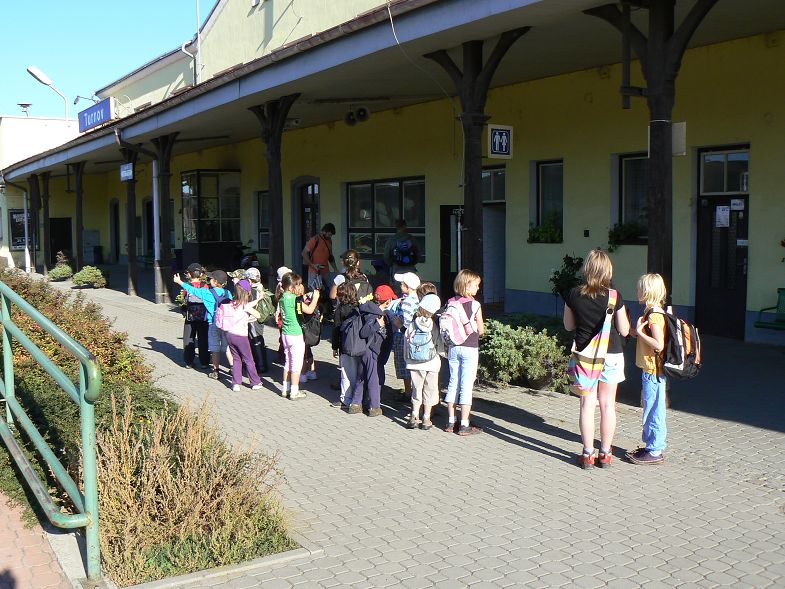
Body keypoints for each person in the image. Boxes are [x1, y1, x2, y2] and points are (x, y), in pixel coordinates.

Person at [563, 249, 630, 469]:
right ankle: (606, 454)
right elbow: (624, 330)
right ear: (607, 270)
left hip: (586, 355)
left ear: (587, 269)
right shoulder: (614, 296)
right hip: (611, 354)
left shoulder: (573, 294)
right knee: (608, 405)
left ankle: (587, 454)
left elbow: (568, 326)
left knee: (587, 404)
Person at [627, 273, 668, 465]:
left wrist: (640, 332)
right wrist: (634, 332)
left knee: (653, 410)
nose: (637, 291)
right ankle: (653, 446)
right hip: (653, 370)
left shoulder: (653, 315)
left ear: (647, 291)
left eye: (640, 288)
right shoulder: (655, 312)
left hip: (653, 371)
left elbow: (658, 344)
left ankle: (654, 450)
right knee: (653, 408)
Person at [444, 269, 485, 436]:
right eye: (476, 285)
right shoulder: (475, 305)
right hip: (470, 347)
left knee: (453, 382)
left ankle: (450, 421)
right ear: (467, 286)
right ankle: (464, 424)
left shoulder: (450, 302)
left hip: (453, 347)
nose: (478, 288)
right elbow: (481, 330)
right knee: (466, 385)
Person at [174, 269, 234, 380]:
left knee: (215, 348)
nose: (209, 280)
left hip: (213, 323)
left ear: (215, 282)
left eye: (211, 279)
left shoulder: (207, 293)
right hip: (226, 324)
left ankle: (216, 371)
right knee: (228, 348)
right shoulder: (228, 293)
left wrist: (179, 282)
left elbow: (192, 290)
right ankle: (233, 368)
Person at [348, 285, 396, 417]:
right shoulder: (375, 314)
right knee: (374, 377)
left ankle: (356, 404)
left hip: (369, 350)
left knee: (362, 376)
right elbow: (364, 332)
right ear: (388, 301)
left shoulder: (373, 310)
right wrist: (377, 325)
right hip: (371, 351)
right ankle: (374, 407)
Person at [278, 272, 319, 400]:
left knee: (288, 362)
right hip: (295, 334)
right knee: (296, 364)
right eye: (298, 284)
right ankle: (294, 392)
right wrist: (316, 298)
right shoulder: (294, 299)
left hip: (285, 333)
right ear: (291, 287)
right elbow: (309, 310)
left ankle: (285, 389)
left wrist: (304, 296)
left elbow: (296, 303)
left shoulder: (282, 297)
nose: (300, 286)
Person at [217, 279, 264, 392]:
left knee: (236, 359)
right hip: (241, 337)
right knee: (249, 359)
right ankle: (255, 382)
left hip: (229, 334)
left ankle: (235, 383)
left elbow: (247, 305)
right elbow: (258, 315)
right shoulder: (245, 306)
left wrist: (259, 299)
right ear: (247, 292)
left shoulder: (231, 303)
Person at [405, 294, 442, 430]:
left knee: (416, 388)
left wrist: (407, 359)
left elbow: (406, 341)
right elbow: (439, 344)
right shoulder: (434, 325)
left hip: (415, 363)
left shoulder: (413, 324)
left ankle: (414, 415)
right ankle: (426, 418)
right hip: (432, 363)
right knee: (430, 390)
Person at [331, 281, 360, 407]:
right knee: (358, 373)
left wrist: (334, 347)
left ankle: (346, 399)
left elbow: (336, 329)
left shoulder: (340, 309)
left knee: (347, 374)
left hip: (345, 346)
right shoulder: (359, 307)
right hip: (360, 346)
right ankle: (358, 398)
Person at [180, 263, 209, 369]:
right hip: (203, 317)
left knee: (189, 338)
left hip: (190, 317)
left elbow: (184, 300)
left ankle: (189, 362)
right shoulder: (205, 286)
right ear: (200, 274)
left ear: (189, 274)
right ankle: (204, 362)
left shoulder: (187, 286)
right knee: (203, 339)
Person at [244, 267, 270, 374]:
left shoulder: (253, 290)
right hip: (258, 318)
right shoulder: (260, 287)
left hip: (253, 319)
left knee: (256, 341)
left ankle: (261, 365)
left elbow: (250, 305)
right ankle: (259, 363)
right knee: (257, 340)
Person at [302, 223, 338, 291]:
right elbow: (304, 253)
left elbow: (330, 256)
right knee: (313, 289)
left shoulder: (329, 241)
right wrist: (312, 265)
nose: (330, 236)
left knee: (330, 288)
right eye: (329, 234)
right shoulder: (315, 240)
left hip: (325, 270)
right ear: (324, 232)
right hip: (314, 270)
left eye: (331, 235)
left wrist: (335, 269)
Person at [384, 219, 419, 284]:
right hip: (410, 268)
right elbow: (418, 255)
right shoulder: (412, 239)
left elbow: (386, 256)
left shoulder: (391, 240)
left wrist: (392, 264)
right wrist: (411, 262)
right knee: (410, 286)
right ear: (405, 226)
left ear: (396, 227)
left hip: (396, 269)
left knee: (397, 288)